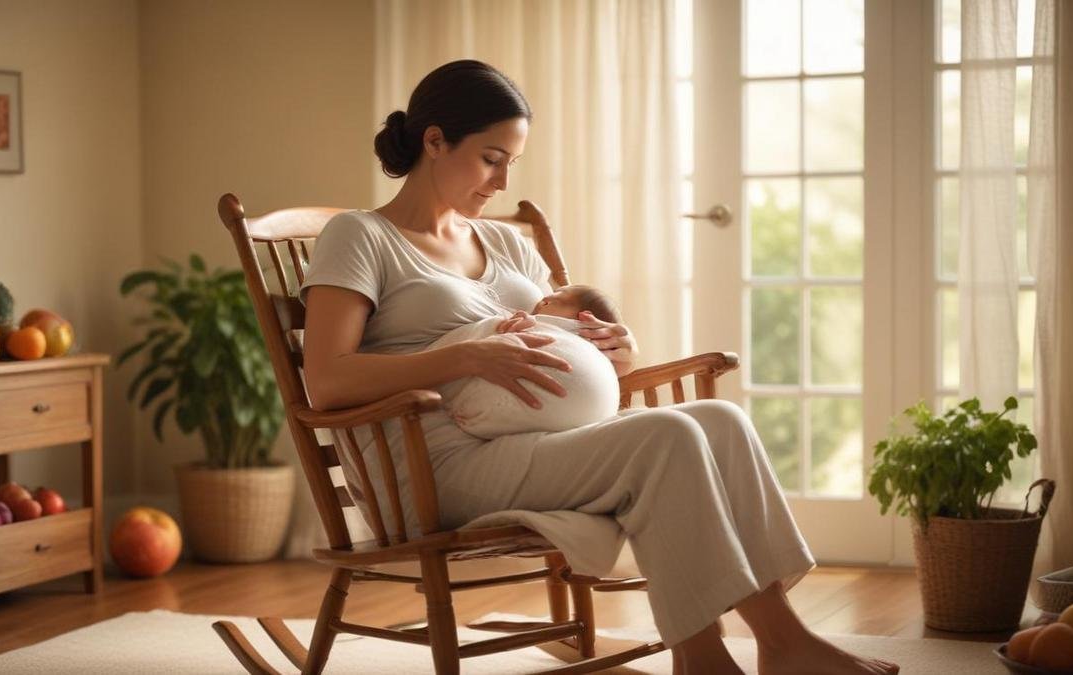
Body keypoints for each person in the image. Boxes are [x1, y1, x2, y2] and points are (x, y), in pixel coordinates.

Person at [299, 59, 899, 675]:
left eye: (512, 163)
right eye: (491, 158)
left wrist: (610, 350)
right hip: (437, 468)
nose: (502, 182)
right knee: (665, 437)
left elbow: (559, 337)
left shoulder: (504, 242)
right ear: (434, 141)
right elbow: (327, 379)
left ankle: (780, 642)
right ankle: (712, 657)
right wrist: (464, 356)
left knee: (720, 420)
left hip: (534, 445)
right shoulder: (362, 237)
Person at [424, 285, 624, 439]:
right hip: (598, 412)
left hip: (575, 414)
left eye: (551, 300)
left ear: (585, 318)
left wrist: (626, 358)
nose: (540, 303)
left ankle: (472, 411)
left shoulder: (581, 342)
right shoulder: (583, 345)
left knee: (495, 330)